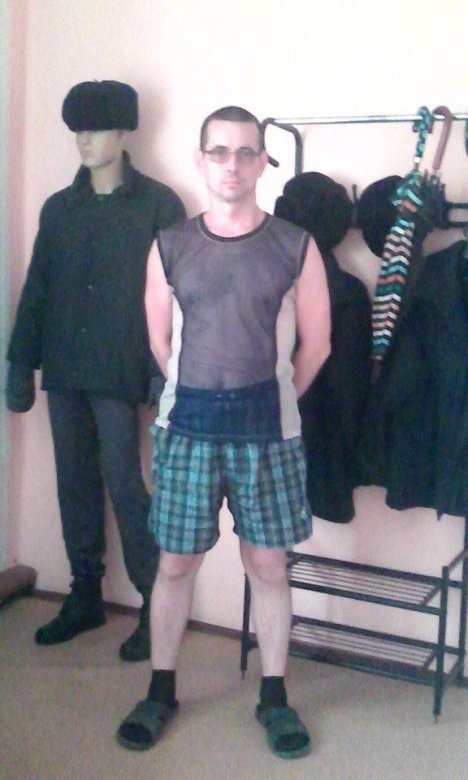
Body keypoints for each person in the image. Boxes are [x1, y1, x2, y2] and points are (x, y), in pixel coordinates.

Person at [116, 105, 331, 758]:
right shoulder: (170, 245)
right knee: (175, 563)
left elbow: (317, 345)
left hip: (270, 435)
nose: (231, 164)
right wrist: (204, 395)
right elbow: (161, 341)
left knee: (267, 565)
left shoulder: (296, 245)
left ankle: (275, 698)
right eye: (219, 151)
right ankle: (160, 690)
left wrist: (275, 404)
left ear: (263, 161)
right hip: (187, 431)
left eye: (245, 152)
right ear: (200, 159)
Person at [6, 80, 186, 661]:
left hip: (120, 369)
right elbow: (38, 288)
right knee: (73, 483)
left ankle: (154, 603)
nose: (84, 139)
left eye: (97, 128)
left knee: (125, 484)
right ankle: (85, 593)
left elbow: (178, 294)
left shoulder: (159, 205)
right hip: (64, 367)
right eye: (77, 129)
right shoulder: (60, 209)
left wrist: (165, 370)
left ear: (124, 131)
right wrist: (20, 363)